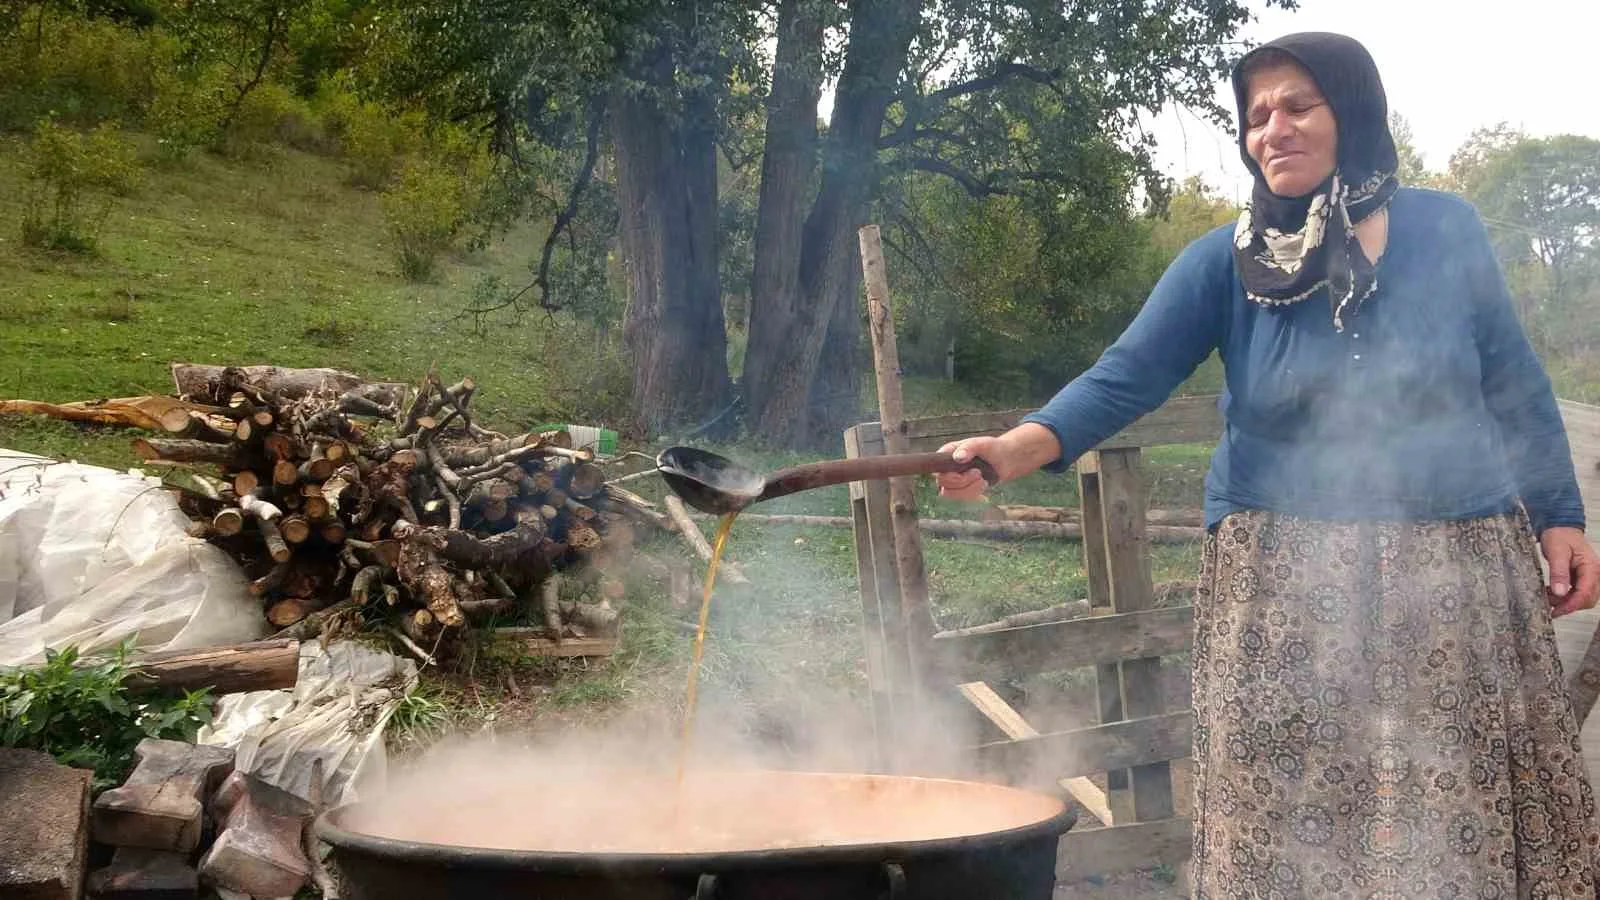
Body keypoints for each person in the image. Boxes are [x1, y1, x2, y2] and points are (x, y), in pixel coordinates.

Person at [935, 31, 1600, 898]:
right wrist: (1012, 450)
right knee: (1293, 805)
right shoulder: (1225, 259)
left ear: (1351, 112)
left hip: (1454, 573)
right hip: (1286, 586)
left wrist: (1560, 514)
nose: (1272, 130)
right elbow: (1127, 374)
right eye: (1255, 117)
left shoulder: (1446, 229)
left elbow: (1511, 379)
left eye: (1297, 106)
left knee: (1449, 790)